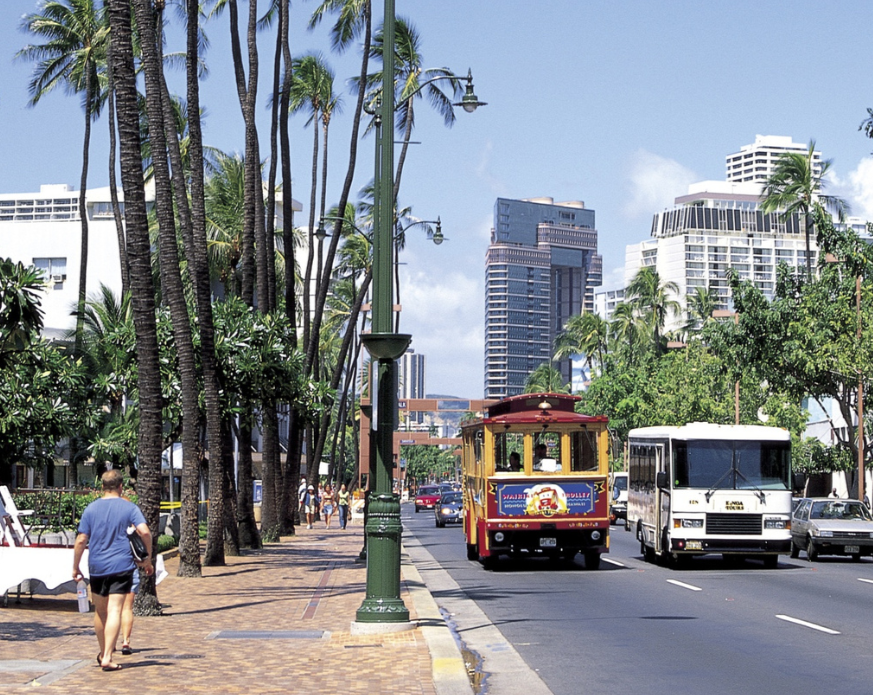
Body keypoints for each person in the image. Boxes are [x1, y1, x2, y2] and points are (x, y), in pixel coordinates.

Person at [73, 469, 153, 672]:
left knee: (100, 612)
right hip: (121, 565)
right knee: (115, 609)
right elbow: (144, 531)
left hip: (97, 566)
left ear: (101, 487)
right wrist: (147, 558)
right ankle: (108, 655)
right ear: (120, 487)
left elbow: (81, 539)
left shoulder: (90, 509)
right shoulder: (129, 507)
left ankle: (103, 653)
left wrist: (75, 567)